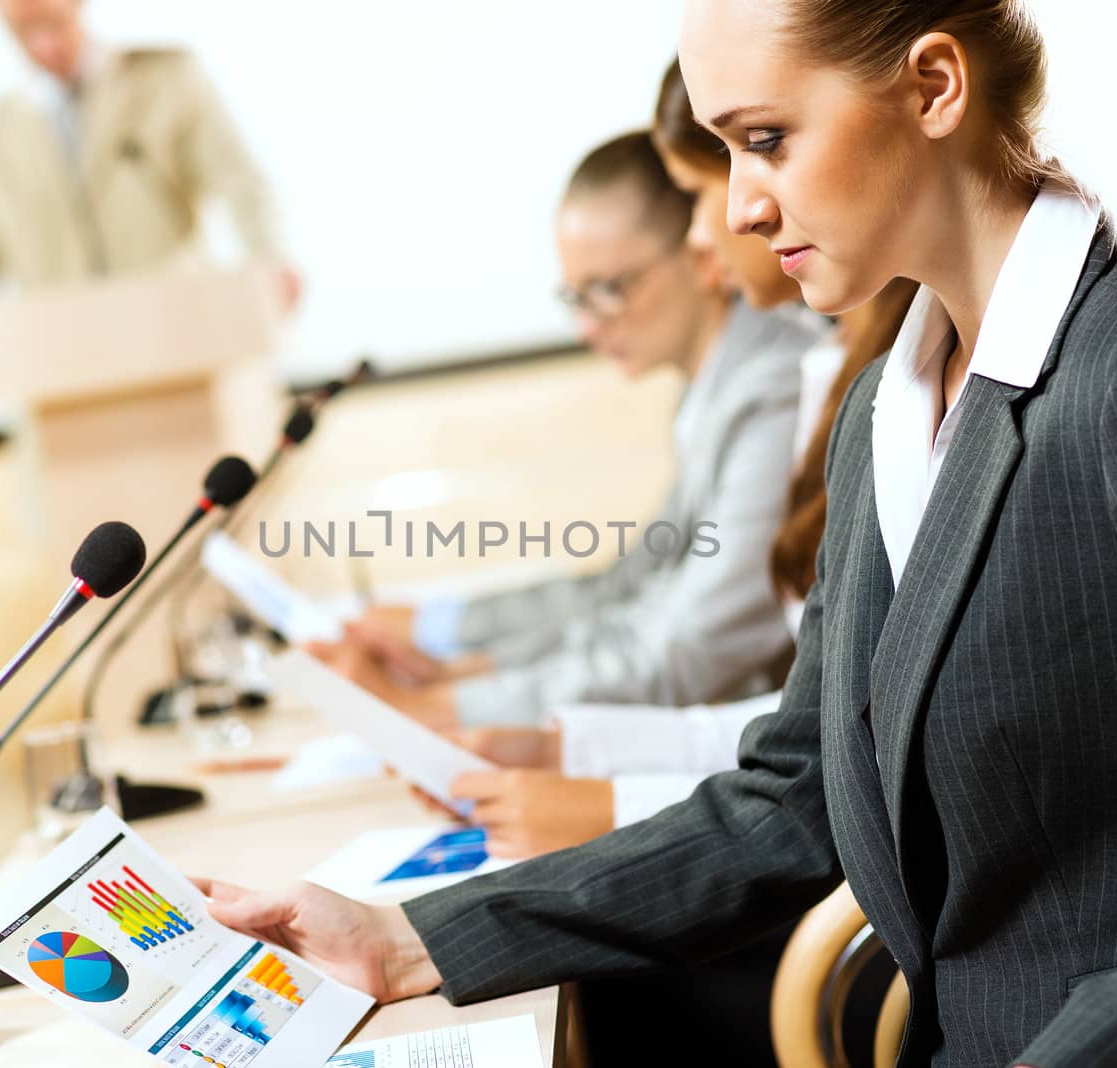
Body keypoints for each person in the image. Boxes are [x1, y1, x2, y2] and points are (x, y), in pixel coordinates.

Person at [202, 1, 1117, 1064]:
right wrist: (402, 941)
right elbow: (796, 795)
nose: (737, 212)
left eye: (764, 141)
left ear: (933, 86)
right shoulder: (884, 411)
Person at [445, 58, 919, 862]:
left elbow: (704, 649)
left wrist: (596, 781)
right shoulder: (823, 370)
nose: (718, 228)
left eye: (761, 148)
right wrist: (581, 751)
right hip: (791, 812)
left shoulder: (795, 379)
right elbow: (813, 723)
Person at [318, 133, 825, 730]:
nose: (587, 326)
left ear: (701, 251)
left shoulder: (775, 385)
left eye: (609, 290)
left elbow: (695, 644)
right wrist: (466, 669)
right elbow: (630, 592)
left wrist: (440, 708)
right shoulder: (710, 393)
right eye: (574, 297)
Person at [0, 0, 297, 304]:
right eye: (23, 30)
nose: (45, 44)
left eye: (53, 21)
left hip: (178, 318)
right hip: (62, 351)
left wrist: (270, 259)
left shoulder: (167, 81)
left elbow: (239, 182)